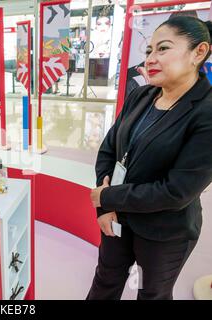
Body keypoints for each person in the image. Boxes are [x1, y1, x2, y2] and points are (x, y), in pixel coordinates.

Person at [87, 16, 212, 300]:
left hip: (164, 232)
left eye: (163, 49)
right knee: (106, 279)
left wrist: (108, 198)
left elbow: (176, 191)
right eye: (148, 51)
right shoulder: (141, 95)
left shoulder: (205, 113)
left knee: (150, 292)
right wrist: (105, 209)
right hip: (117, 219)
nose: (151, 59)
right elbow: (109, 149)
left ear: (199, 52)